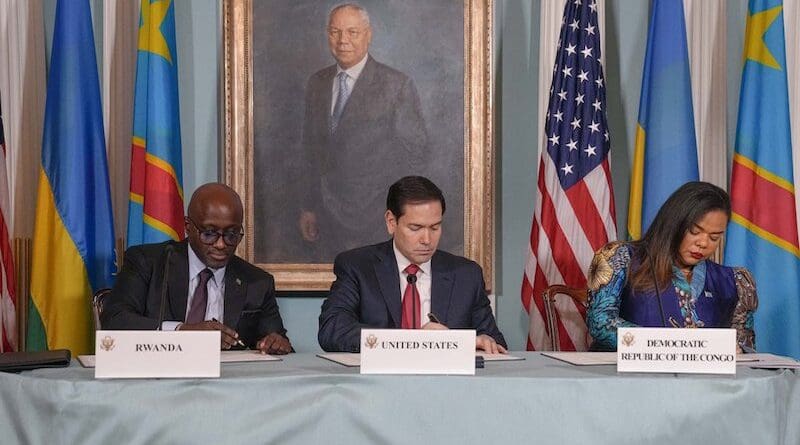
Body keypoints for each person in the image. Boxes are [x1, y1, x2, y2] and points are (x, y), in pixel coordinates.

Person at [318, 176, 507, 353]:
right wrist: (413, 341)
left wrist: (466, 342)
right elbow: (333, 329)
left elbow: (495, 343)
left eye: (435, 227)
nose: (427, 239)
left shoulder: (466, 274)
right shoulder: (358, 266)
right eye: (415, 228)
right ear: (391, 222)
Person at [299, 2, 428, 260]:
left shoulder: (396, 85)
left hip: (374, 219)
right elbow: (310, 153)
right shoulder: (317, 83)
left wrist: (394, 214)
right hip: (325, 219)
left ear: (368, 36)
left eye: (352, 32)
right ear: (327, 35)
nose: (342, 40)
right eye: (335, 32)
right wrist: (309, 207)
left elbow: (414, 156)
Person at [102, 183, 292, 354]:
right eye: (209, 234)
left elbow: (279, 342)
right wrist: (182, 331)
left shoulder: (257, 282)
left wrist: (276, 343)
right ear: (188, 226)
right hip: (157, 381)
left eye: (231, 235)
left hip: (228, 386)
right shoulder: (149, 263)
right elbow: (114, 319)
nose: (220, 244)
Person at [586, 181, 758, 351]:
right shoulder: (621, 258)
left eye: (714, 237)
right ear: (674, 223)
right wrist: (672, 345)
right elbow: (600, 322)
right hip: (627, 376)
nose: (703, 243)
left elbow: (744, 342)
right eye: (695, 231)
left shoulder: (734, 282)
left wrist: (737, 348)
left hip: (704, 378)